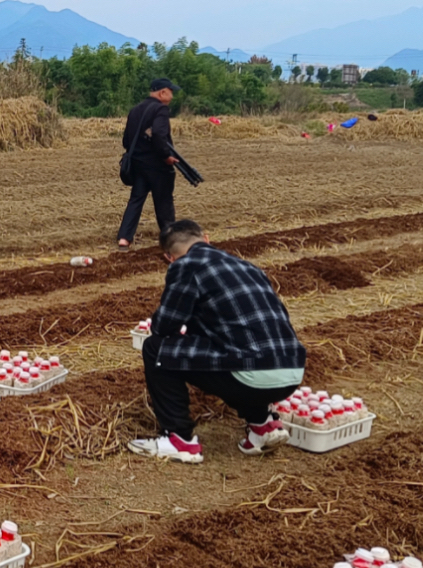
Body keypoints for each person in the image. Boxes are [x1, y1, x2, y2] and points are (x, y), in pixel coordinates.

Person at [128, 220, 306, 463]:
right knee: (234, 355)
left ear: (169, 257)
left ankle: (178, 439)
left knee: (155, 349)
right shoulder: (247, 267)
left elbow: (164, 326)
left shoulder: (187, 266)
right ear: (207, 239)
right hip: (291, 371)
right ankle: (263, 426)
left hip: (252, 373)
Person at [117, 78, 182, 250]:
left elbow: (126, 140)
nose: (172, 96)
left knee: (136, 200)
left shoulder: (135, 110)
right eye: (171, 92)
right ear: (162, 92)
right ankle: (170, 240)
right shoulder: (160, 109)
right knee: (164, 202)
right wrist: (166, 157)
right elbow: (160, 136)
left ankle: (124, 238)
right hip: (157, 166)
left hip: (138, 165)